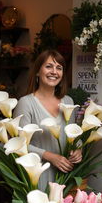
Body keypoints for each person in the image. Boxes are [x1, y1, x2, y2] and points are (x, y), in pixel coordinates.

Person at [13, 49, 82, 191]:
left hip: (64, 177)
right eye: (49, 66)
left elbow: (74, 136)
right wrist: (50, 156)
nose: (54, 72)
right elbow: (19, 144)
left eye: (59, 68)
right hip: (37, 177)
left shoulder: (68, 101)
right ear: (38, 71)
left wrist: (78, 150)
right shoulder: (26, 103)